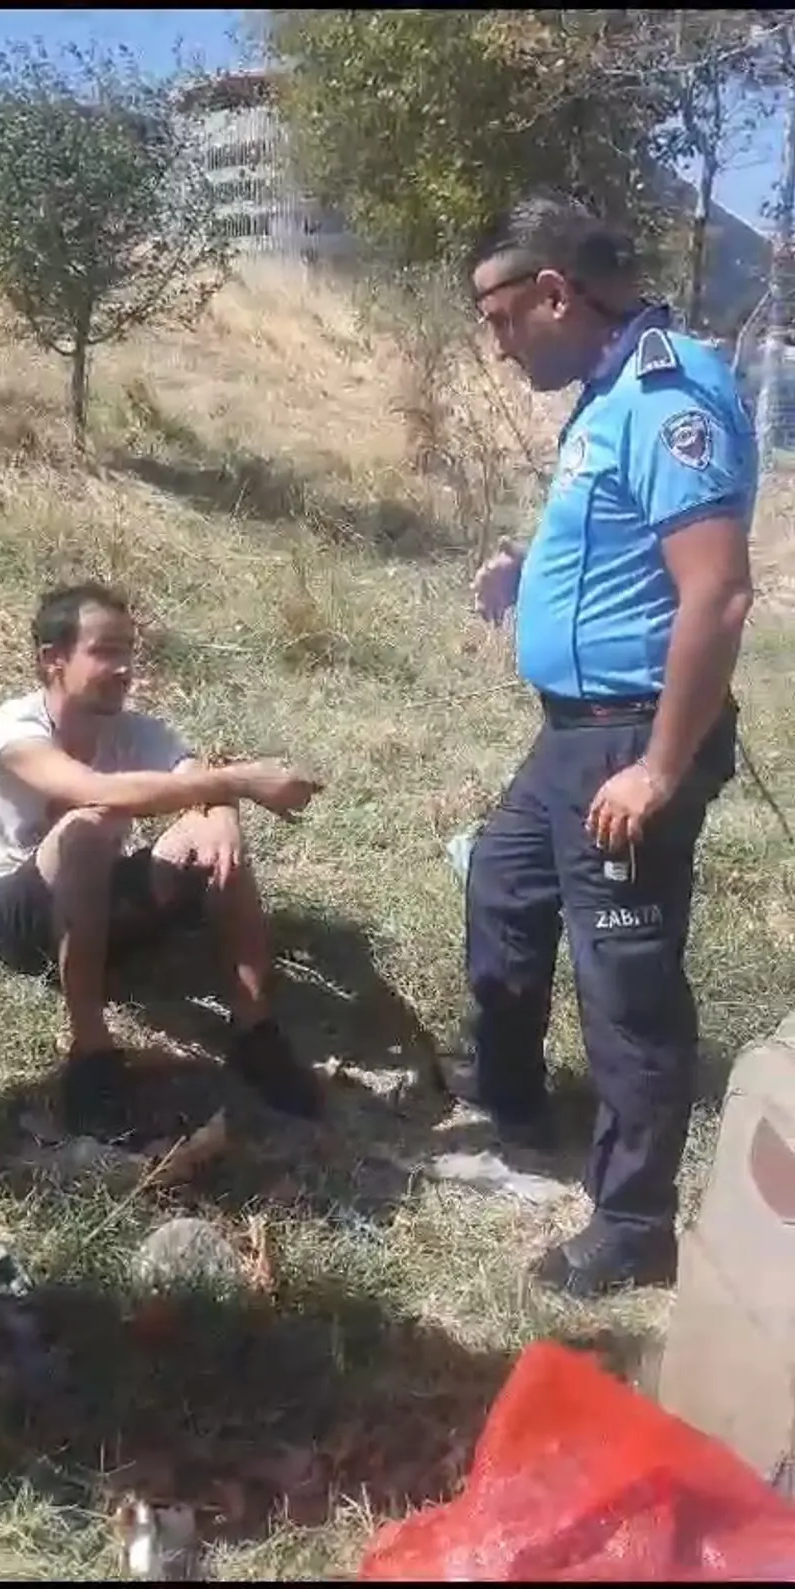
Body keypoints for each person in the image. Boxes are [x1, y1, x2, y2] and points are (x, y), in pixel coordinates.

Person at [465, 194, 757, 1299]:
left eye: (501, 319)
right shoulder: (607, 392)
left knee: (626, 982)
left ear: (555, 292)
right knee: (502, 888)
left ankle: (633, 1222)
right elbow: (615, 543)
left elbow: (716, 594)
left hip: (632, 738)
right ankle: (511, 1102)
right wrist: (525, 572)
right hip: (569, 738)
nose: (499, 346)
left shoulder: (670, 395)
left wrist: (660, 768)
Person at [0, 580, 325, 1136]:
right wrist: (238, 781)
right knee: (86, 826)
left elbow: (196, 779)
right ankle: (90, 1050)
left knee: (212, 829)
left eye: (129, 651)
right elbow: (93, 791)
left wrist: (221, 808)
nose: (126, 668)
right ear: (53, 659)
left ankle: (254, 1028)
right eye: (106, 651)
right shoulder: (13, 729)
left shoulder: (137, 731)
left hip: (97, 908)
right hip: (18, 921)